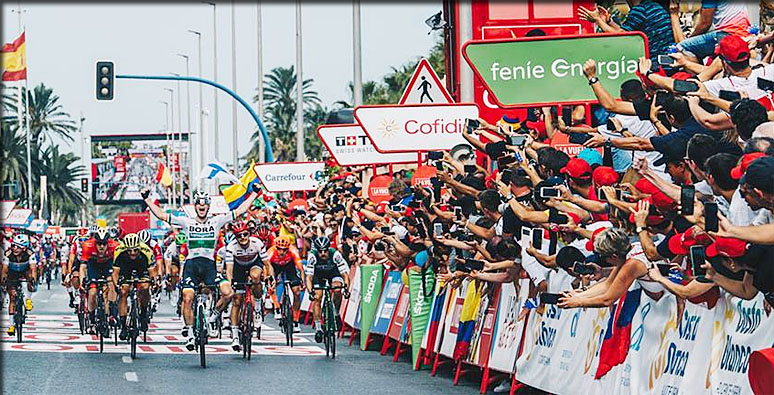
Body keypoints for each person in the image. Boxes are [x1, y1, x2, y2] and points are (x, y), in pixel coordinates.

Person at [142, 188, 258, 351]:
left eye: (205, 203)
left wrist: (254, 194)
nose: (202, 206)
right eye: (199, 203)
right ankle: (190, 334)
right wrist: (147, 200)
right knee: (187, 298)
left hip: (209, 266)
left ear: (208, 206)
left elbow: (239, 210)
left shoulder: (216, 221)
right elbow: (162, 215)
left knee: (229, 292)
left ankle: (213, 316)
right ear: (195, 206)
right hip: (191, 266)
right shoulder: (186, 222)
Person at [224, 221, 269, 351]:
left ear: (249, 234)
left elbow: (267, 264)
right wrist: (230, 282)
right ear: (235, 237)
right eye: (239, 235)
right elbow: (229, 269)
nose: (243, 237)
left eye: (245, 234)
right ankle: (235, 336)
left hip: (254, 263)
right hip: (238, 268)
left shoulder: (257, 243)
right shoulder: (231, 247)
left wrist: (269, 276)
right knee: (237, 301)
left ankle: (258, 307)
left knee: (255, 278)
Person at [304, 236, 350, 343]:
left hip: (333, 273)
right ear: (317, 250)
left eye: (325, 251)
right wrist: (311, 292)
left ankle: (336, 313)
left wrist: (346, 289)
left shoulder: (336, 254)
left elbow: (345, 275)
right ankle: (319, 328)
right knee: (317, 298)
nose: (323, 253)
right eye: (320, 251)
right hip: (318, 275)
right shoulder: (312, 256)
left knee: (337, 289)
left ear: (329, 249)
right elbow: (309, 277)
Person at [112, 233, 156, 340]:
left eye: (135, 250)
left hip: (142, 267)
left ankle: (143, 313)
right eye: (129, 251)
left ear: (139, 248)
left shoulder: (146, 251)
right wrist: (116, 284)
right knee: (123, 292)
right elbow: (115, 273)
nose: (132, 253)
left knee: (145, 287)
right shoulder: (119, 251)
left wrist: (154, 282)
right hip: (125, 268)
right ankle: (123, 326)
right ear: (125, 249)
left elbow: (151, 271)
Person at [79, 228, 118, 336]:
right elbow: (83, 267)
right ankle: (91, 320)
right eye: (99, 244)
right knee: (92, 292)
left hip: (108, 265)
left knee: (110, 285)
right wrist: (82, 281)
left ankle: (110, 313)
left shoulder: (114, 246)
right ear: (95, 243)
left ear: (108, 243)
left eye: (104, 244)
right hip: (93, 266)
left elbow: (118, 266)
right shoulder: (88, 246)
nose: (102, 247)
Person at [265, 235, 305, 333]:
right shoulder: (271, 252)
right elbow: (266, 266)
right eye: (279, 249)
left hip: (289, 266)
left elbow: (300, 268)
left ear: (288, 248)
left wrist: (303, 281)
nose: (281, 252)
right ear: (276, 247)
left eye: (284, 250)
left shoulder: (293, 251)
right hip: (274, 266)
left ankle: (296, 321)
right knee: (272, 283)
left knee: (297, 292)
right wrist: (269, 279)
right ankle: (277, 307)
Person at [2, 234, 37, 336]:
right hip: (12, 272)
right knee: (12, 297)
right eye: (13, 245)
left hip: (25, 271)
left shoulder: (30, 253)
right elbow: (4, 270)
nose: (15, 248)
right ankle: (11, 325)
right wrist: (3, 281)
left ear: (25, 247)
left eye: (18, 246)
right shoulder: (8, 253)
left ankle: (28, 299)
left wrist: (33, 280)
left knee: (30, 278)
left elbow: (33, 269)